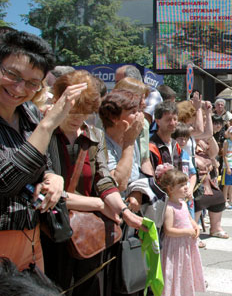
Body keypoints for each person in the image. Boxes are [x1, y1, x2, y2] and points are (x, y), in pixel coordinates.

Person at [44, 72, 144, 295]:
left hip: (86, 231)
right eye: (73, 110)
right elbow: (47, 191)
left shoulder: (94, 135)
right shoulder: (44, 133)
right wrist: (98, 205)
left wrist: (124, 211)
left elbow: (103, 180)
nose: (77, 118)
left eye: (85, 112)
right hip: (52, 231)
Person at [0, 31, 80, 272]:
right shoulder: (42, 121)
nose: (19, 88)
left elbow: (44, 164)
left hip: (31, 238)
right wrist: (48, 125)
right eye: (11, 74)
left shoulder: (28, 114)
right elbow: (5, 181)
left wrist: (52, 177)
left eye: (33, 83)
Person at [159, 168, 206, 296]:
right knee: (174, 271)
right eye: (181, 185)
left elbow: (189, 218)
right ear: (170, 188)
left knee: (184, 270)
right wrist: (187, 232)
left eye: (186, 184)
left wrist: (195, 225)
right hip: (174, 246)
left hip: (185, 244)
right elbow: (168, 230)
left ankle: (184, 291)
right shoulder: (169, 207)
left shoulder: (183, 203)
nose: (186, 187)